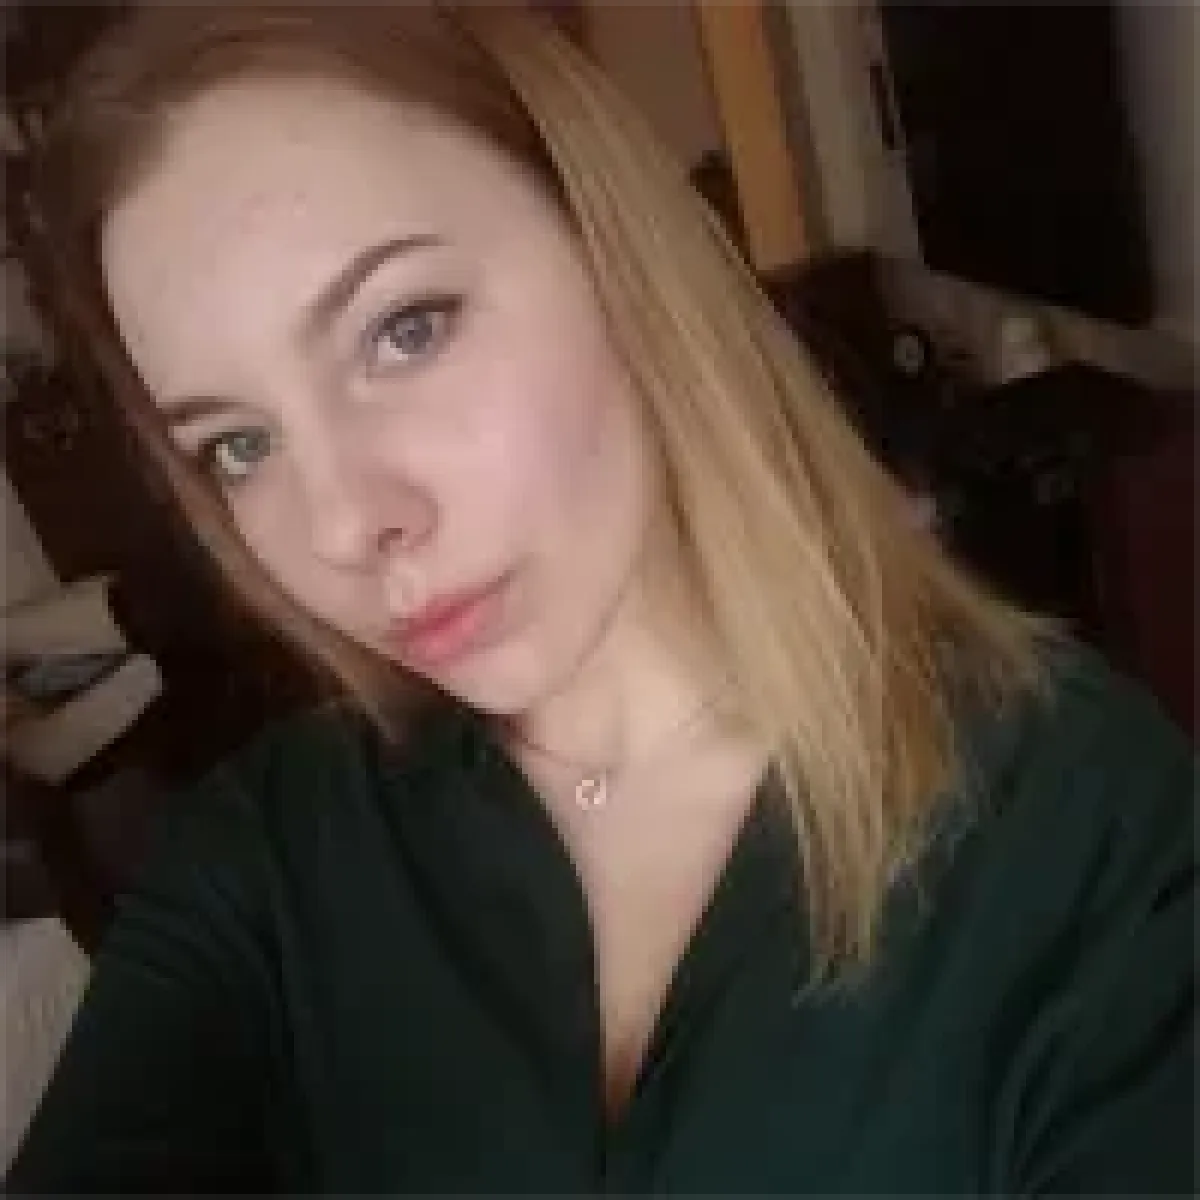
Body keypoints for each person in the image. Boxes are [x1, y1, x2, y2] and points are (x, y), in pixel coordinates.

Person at [8, 1, 1200, 1195]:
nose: (341, 524)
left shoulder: (1084, 825)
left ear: (615, 248)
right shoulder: (266, 864)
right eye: (238, 445)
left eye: (405, 330)